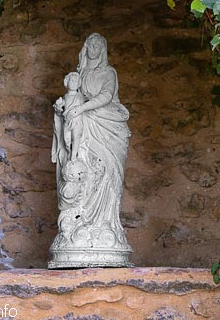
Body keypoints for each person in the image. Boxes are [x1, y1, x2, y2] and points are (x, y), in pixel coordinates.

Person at [49, 33, 132, 268]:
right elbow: (72, 102)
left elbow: (106, 96)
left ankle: (106, 227)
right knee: (82, 172)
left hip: (108, 127)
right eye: (90, 45)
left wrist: (81, 109)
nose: (93, 49)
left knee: (107, 174)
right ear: (85, 49)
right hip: (83, 130)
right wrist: (62, 109)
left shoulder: (109, 73)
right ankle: (77, 226)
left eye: (98, 46)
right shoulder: (80, 74)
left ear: (103, 50)